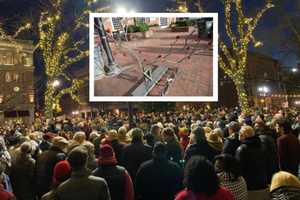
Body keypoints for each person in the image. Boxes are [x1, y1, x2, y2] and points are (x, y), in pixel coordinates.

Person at [235, 126, 269, 200]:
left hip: (249, 186)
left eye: (240, 134)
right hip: (263, 182)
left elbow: (238, 168)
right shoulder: (261, 145)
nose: (238, 135)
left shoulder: (242, 149)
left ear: (245, 135)